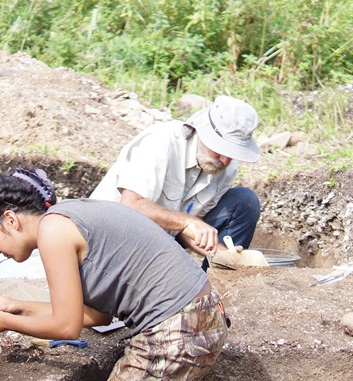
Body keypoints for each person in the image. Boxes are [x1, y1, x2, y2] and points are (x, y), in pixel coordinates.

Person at [0, 167, 312, 381]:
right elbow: (96, 313)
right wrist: (19, 307)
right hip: (200, 317)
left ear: (10, 219)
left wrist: (4, 324)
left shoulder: (53, 232)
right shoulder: (70, 217)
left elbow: (66, 326)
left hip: (175, 332)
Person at [89, 95, 262, 267]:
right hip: (110, 237)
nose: (225, 160)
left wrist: (225, 255)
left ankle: (224, 283)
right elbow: (130, 205)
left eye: (232, 154)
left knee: (244, 201)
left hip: (161, 240)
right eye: (219, 150)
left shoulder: (227, 168)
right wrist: (187, 221)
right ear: (203, 133)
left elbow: (188, 231)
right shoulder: (160, 142)